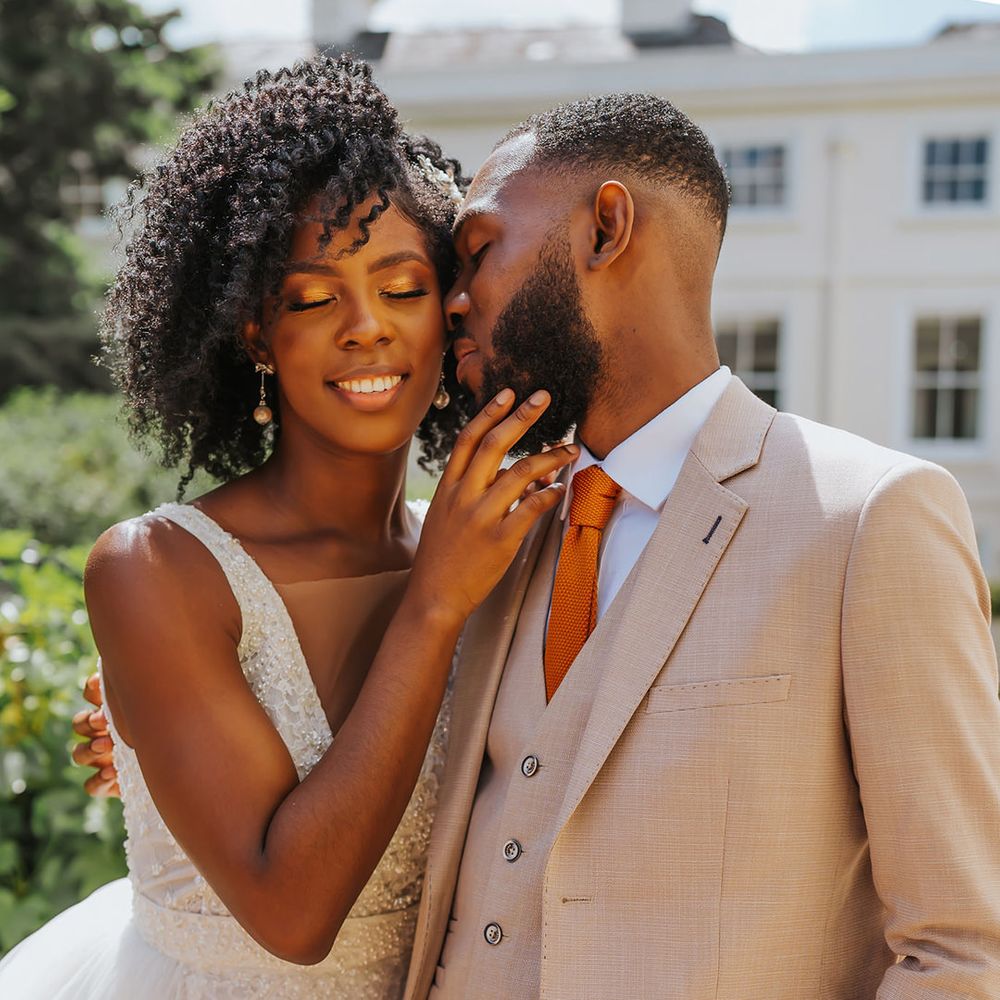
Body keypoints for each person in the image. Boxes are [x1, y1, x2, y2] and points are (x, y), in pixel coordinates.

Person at [81, 93, 1000, 997]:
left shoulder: (869, 516)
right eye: (317, 298)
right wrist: (145, 720)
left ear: (606, 229)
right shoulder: (503, 536)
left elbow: (964, 947)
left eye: (456, 264)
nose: (449, 304)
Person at [0, 55, 576, 999]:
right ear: (255, 334)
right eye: (313, 299)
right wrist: (430, 607)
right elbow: (293, 916)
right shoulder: (159, 570)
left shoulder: (487, 546)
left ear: (450, 314)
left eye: (402, 289)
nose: (367, 329)